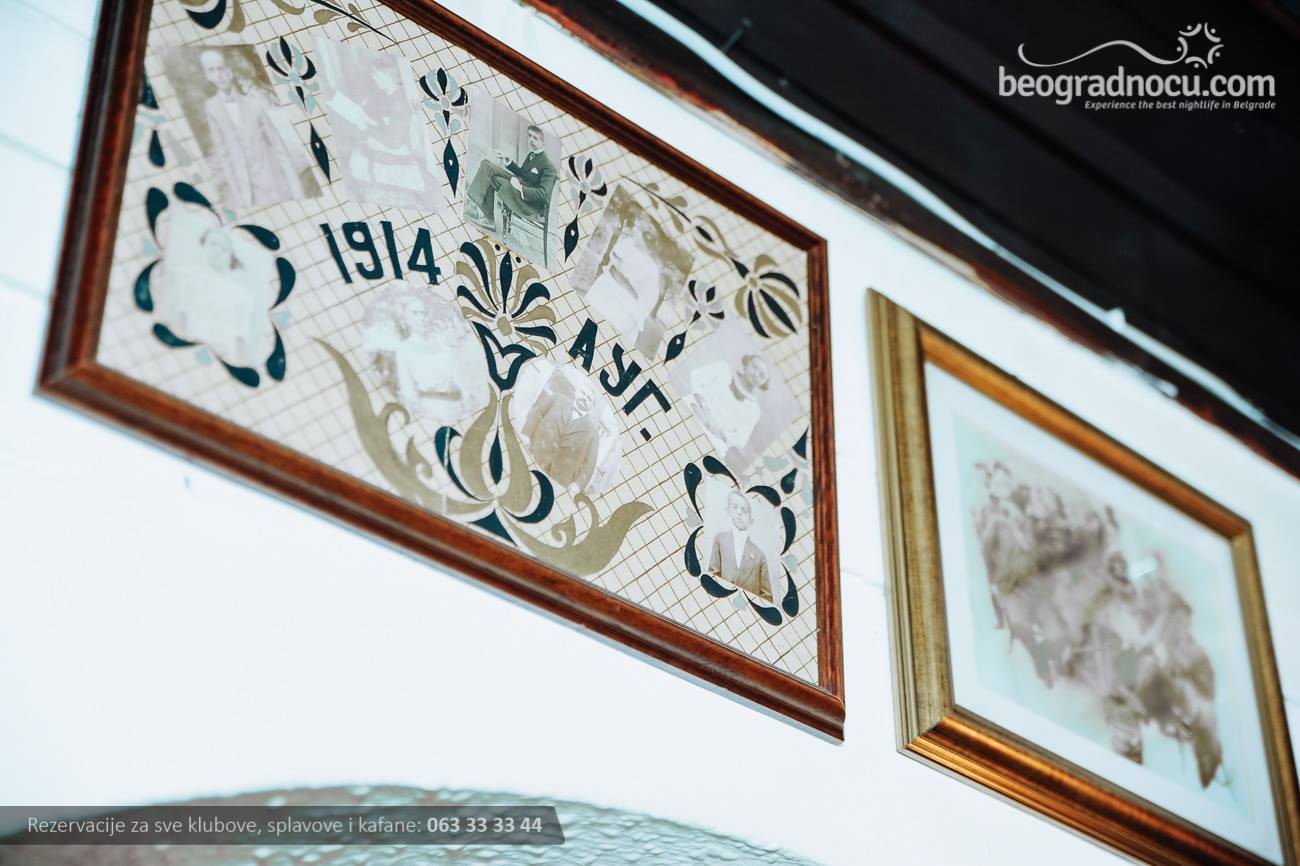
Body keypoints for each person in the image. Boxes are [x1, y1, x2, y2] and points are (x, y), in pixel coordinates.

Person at [199, 49, 309, 210]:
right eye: (212, 70)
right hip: (247, 190)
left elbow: (278, 146)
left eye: (221, 68)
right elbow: (223, 154)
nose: (219, 75)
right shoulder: (212, 107)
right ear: (207, 75)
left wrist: (296, 188)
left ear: (229, 71)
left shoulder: (253, 103)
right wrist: (238, 195)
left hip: (272, 180)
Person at [363, 289, 487, 424]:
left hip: (460, 403)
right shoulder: (404, 350)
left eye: (423, 312)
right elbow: (408, 390)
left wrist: (467, 398)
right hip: (434, 406)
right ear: (404, 319)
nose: (421, 317)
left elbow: (458, 372)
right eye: (415, 313)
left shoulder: (440, 340)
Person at [520, 370, 602, 491]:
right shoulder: (557, 399)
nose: (584, 398)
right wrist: (526, 434)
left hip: (560, 479)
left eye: (589, 398)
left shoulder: (592, 432)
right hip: (535, 455)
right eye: (583, 394)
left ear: (591, 405)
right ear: (578, 393)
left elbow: (590, 464)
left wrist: (578, 485)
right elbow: (537, 413)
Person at [466, 124, 556, 232]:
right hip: (519, 183)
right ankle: (475, 204)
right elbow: (522, 174)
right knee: (486, 165)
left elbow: (543, 193)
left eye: (535, 138)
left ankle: (488, 219)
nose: (531, 140)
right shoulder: (531, 155)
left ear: (543, 143)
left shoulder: (548, 166)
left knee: (493, 179)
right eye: (530, 136)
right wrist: (508, 161)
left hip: (529, 202)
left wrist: (520, 188)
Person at [685, 352, 773, 457]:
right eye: (754, 367)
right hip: (694, 411)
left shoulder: (754, 410)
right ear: (747, 363)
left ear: (764, 383)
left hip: (713, 438)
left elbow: (740, 439)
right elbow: (696, 377)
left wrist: (716, 430)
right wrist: (704, 409)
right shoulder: (723, 369)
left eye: (762, 375)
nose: (756, 374)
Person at [708, 489, 772, 602]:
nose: (739, 513)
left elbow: (767, 597)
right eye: (735, 507)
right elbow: (712, 575)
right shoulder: (720, 539)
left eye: (744, 510)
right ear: (728, 511)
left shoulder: (760, 555)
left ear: (751, 520)